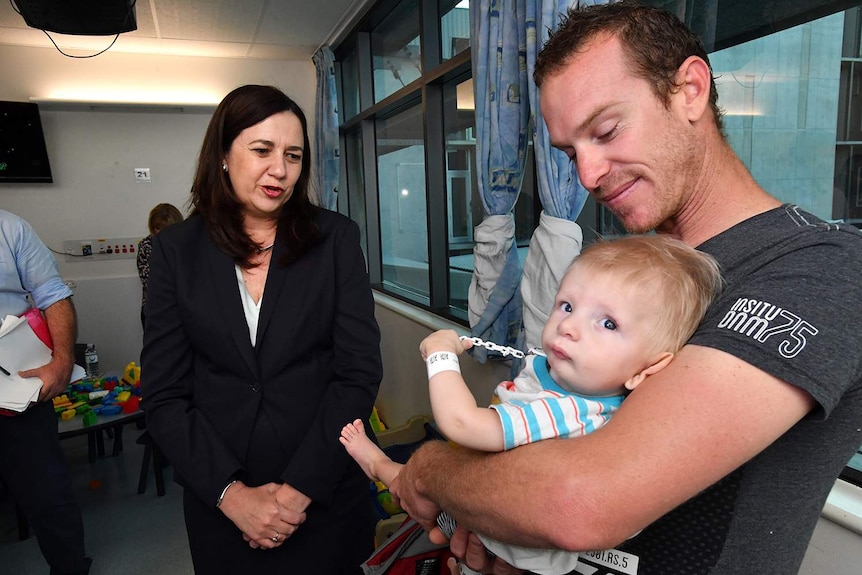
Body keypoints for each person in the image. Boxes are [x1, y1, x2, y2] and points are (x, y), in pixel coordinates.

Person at [388, 2, 862, 575]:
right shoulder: (629, 270)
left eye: (607, 131)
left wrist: (432, 469)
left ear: (689, 89)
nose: (587, 175)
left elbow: (580, 500)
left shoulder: (816, 268)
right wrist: (498, 518)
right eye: (569, 153)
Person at [342, 235, 722, 574]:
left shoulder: (567, 411)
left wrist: (440, 356)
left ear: (648, 368)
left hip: (502, 541)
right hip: (487, 513)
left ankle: (378, 464)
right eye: (568, 305)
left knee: (416, 491)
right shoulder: (564, 376)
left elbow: (461, 423)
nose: (569, 327)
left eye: (608, 324)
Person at [140, 85, 382, 574]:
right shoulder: (176, 253)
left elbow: (357, 372)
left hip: (324, 498)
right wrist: (232, 496)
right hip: (223, 508)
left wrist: (299, 491)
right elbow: (164, 395)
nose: (280, 169)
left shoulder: (334, 240)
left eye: (293, 155)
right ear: (223, 155)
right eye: (262, 150)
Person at [0, 209, 91, 574]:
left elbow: (53, 295)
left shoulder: (11, 229)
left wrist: (62, 361)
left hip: (18, 387)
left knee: (47, 492)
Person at [136, 203, 183, 328]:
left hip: (182, 310)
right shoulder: (146, 246)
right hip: (155, 309)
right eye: (158, 231)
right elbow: (149, 281)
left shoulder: (185, 244)